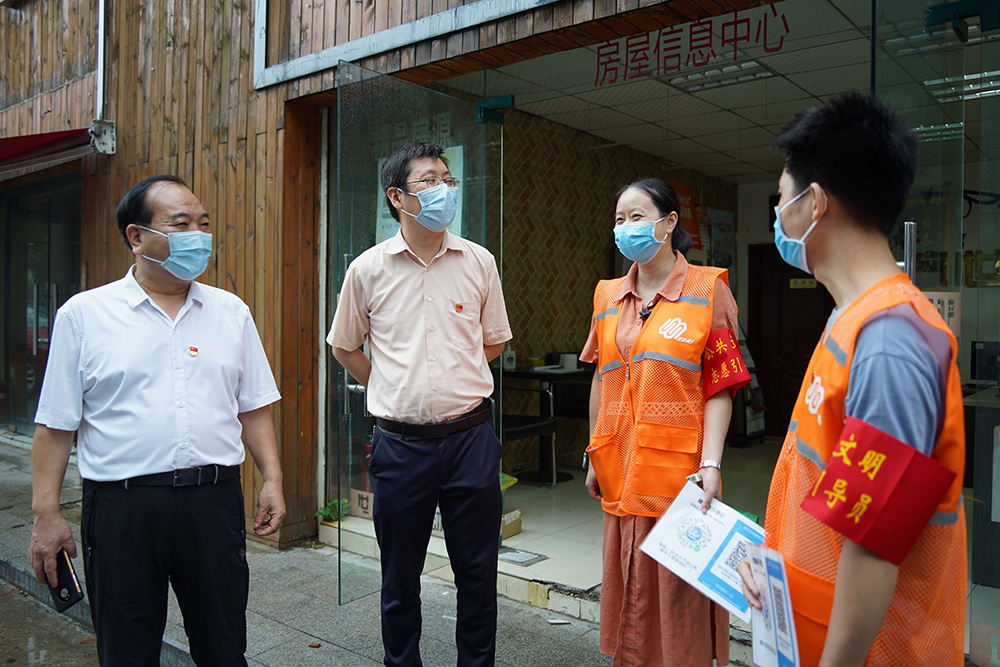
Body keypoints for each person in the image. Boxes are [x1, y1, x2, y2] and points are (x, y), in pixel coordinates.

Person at [736, 92, 967, 666]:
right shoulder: (851, 318)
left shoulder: (893, 342)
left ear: (814, 203)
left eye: (782, 198)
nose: (778, 214)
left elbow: (873, 546)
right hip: (810, 629)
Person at [29, 175, 286, 666]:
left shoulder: (231, 312)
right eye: (181, 224)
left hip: (213, 503)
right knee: (127, 650)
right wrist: (47, 514)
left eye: (204, 224)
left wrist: (271, 478)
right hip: (123, 508)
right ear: (136, 236)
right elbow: (56, 424)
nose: (199, 236)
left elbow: (253, 405)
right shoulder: (84, 315)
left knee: (224, 647)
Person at [328, 142, 511, 667]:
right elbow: (344, 346)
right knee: (399, 579)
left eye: (448, 179)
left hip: (471, 440)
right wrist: (389, 383)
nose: (444, 189)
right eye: (429, 180)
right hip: (400, 446)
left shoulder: (479, 261)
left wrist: (451, 374)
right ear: (397, 197)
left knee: (477, 576)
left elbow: (493, 342)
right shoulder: (367, 270)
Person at [581, 177, 750, 666]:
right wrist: (593, 451)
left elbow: (721, 386)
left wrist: (711, 464)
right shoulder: (607, 295)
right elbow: (601, 378)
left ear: (669, 222)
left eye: (637, 217)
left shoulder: (708, 289)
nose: (626, 227)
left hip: (681, 476)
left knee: (677, 595)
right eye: (619, 219)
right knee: (628, 583)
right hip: (619, 465)